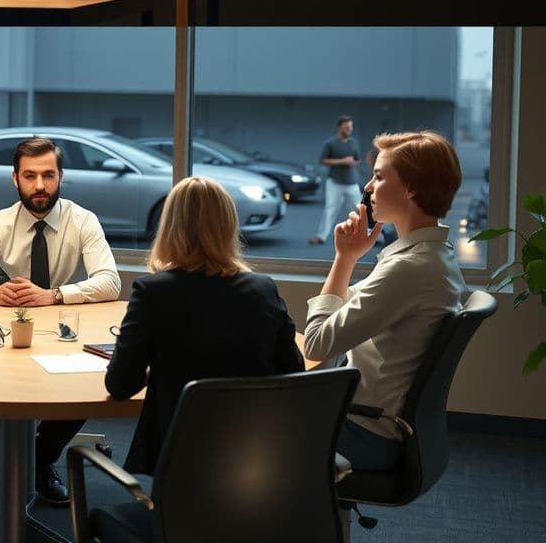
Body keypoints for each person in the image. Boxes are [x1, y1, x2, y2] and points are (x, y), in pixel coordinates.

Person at [0, 136, 121, 506]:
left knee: (93, 382)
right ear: (15, 179)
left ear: (61, 177)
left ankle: (37, 461)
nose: (39, 185)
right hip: (9, 332)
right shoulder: (1, 222)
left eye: (48, 175)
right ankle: (1, 463)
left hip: (62, 331)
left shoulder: (82, 220)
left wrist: (55, 294)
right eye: (30, 176)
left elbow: (110, 281)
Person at [105, 177, 304, 474]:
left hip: (183, 471)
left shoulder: (153, 292)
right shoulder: (263, 289)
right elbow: (293, 372)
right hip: (257, 468)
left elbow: (120, 386)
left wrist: (155, 366)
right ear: (228, 226)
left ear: (169, 226)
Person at [303, 130, 466, 471]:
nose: (367, 187)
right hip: (376, 426)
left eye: (378, 176)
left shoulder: (410, 268)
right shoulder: (432, 257)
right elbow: (350, 313)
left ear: (411, 188)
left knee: (240, 423)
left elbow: (316, 344)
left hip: (365, 434)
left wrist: (344, 259)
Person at [310, 115, 364, 245]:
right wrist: (343, 161)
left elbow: (357, 161)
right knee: (330, 209)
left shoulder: (354, 143)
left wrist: (354, 163)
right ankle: (321, 237)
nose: (349, 130)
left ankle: (363, 234)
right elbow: (323, 160)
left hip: (351, 182)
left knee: (359, 209)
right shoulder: (330, 143)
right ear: (340, 127)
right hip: (334, 182)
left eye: (350, 127)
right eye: (346, 127)